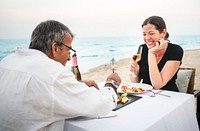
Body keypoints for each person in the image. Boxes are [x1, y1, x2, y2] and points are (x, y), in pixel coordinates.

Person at [0, 20, 121, 131]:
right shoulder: (53, 73)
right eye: (68, 51)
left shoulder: (7, 61)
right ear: (55, 48)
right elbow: (102, 105)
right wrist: (111, 84)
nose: (69, 57)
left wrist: (75, 85)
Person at [130, 16, 183, 92]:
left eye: (151, 33)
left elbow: (157, 85)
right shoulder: (142, 48)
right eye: (144, 34)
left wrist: (151, 54)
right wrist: (135, 73)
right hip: (146, 95)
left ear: (163, 33)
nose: (147, 38)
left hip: (168, 96)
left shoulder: (175, 50)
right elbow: (136, 83)